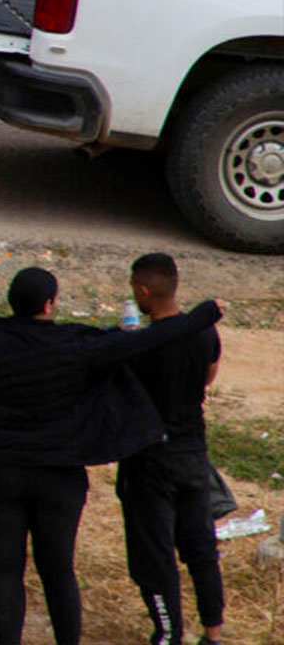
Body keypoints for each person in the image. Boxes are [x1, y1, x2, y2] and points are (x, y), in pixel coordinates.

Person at [0, 267, 225, 645]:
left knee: (5, 573)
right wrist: (203, 316)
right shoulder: (75, 345)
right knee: (59, 571)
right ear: (50, 304)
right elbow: (148, 339)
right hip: (58, 476)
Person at [116, 254, 225, 645]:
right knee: (201, 549)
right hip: (194, 453)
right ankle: (213, 633)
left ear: (143, 291)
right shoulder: (205, 333)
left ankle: (168, 634)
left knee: (154, 554)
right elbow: (209, 377)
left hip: (150, 459)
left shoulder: (140, 344)